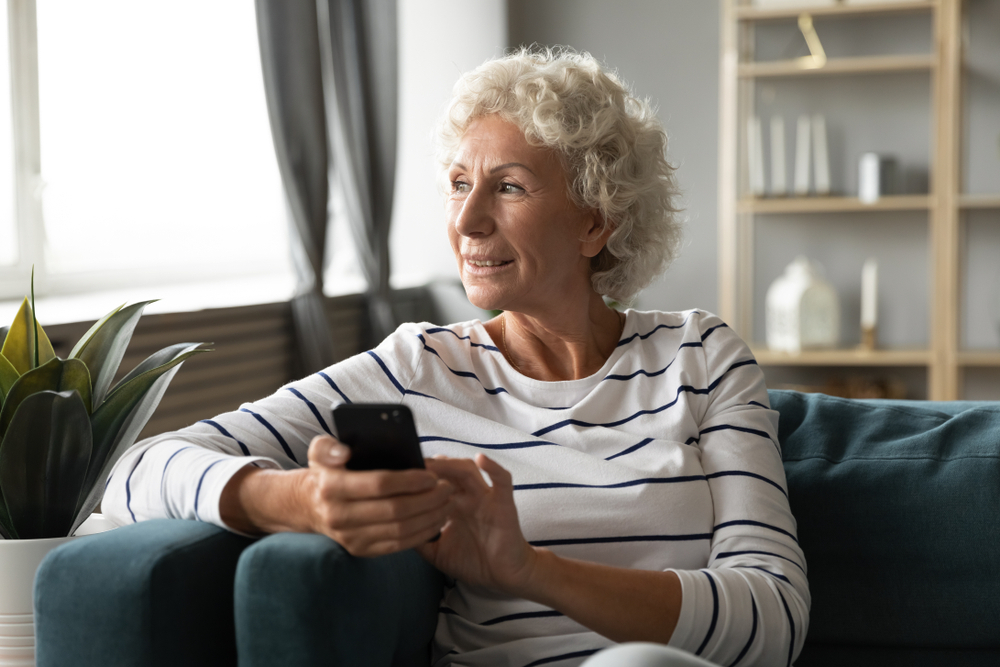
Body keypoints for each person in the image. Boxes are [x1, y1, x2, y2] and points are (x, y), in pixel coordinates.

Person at [104, 48, 809, 667]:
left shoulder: (700, 354)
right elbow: (135, 470)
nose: (467, 221)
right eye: (457, 184)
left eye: (507, 186)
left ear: (596, 220)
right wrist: (300, 499)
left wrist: (531, 571)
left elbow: (775, 619)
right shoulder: (418, 367)